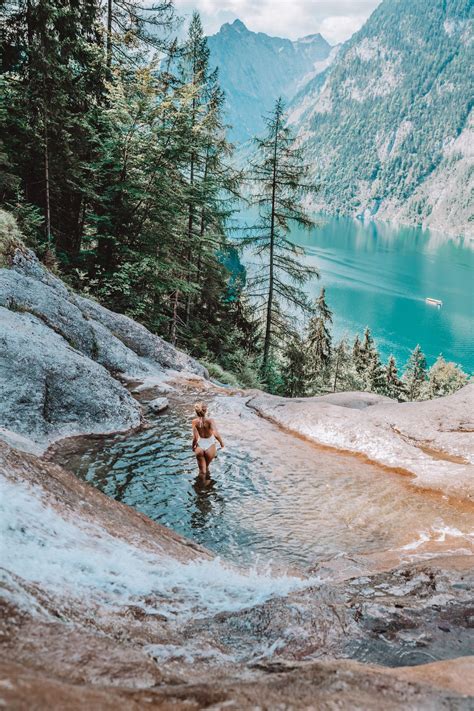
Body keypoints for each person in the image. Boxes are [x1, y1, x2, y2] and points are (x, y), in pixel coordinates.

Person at [192, 402, 224, 481]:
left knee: (202, 471)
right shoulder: (210, 421)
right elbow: (216, 434)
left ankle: (200, 487)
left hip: (199, 446)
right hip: (210, 445)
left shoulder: (194, 422)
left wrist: (193, 446)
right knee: (206, 467)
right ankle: (206, 488)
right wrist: (221, 443)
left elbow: (195, 437)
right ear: (205, 411)